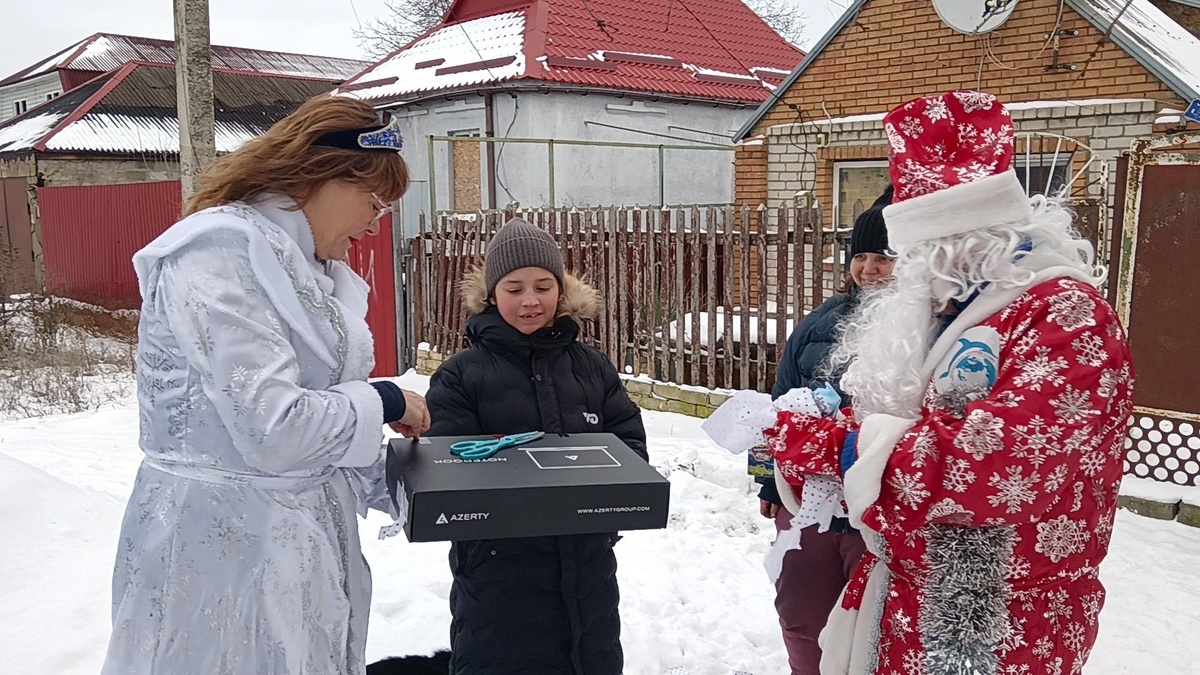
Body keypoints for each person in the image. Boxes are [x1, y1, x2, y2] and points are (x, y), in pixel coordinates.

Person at [101, 96, 431, 674]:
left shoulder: (302, 268)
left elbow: (321, 422)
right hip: (221, 547)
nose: (376, 223)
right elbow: (272, 428)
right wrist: (382, 399)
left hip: (293, 541)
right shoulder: (219, 252)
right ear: (321, 176)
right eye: (375, 202)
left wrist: (414, 488)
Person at [821, 90, 1134, 675]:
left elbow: (1004, 466)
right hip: (909, 596)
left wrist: (844, 449)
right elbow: (900, 414)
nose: (908, 273)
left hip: (1006, 619)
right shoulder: (949, 309)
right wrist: (825, 436)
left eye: (919, 254)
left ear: (959, 245)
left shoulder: (1066, 315)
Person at [424, 217, 647, 675]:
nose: (530, 300)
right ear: (491, 295)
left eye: (543, 287)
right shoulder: (460, 376)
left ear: (560, 291)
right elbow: (448, 469)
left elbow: (630, 449)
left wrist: (605, 514)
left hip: (588, 569)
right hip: (497, 574)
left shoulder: (592, 368)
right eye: (514, 288)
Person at [760, 187, 893, 675]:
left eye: (884, 258)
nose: (869, 269)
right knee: (801, 614)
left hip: (876, 510)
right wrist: (768, 481)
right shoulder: (820, 324)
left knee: (871, 627)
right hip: (808, 503)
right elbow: (777, 406)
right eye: (861, 256)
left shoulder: (932, 328)